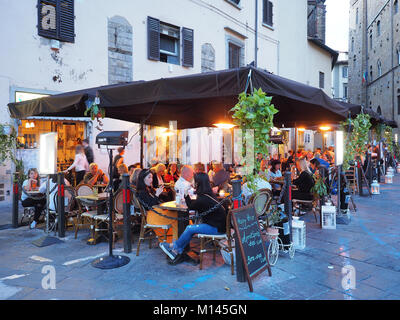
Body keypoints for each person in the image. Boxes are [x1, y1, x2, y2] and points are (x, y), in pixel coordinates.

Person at [159, 173, 227, 265]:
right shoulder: (208, 194)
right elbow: (195, 204)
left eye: (194, 181)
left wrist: (186, 194)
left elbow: (191, 206)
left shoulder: (203, 198)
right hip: (219, 226)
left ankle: (174, 248)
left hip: (216, 228)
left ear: (198, 183)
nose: (192, 182)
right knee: (191, 229)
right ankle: (176, 250)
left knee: (189, 228)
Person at [136, 169, 177, 243]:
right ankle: (174, 242)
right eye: (149, 177)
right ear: (143, 178)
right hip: (153, 217)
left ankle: (175, 241)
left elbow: (160, 200)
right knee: (177, 216)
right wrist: (157, 194)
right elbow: (149, 206)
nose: (151, 180)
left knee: (178, 215)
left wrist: (164, 192)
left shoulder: (149, 189)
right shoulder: (141, 192)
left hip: (157, 213)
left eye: (152, 177)